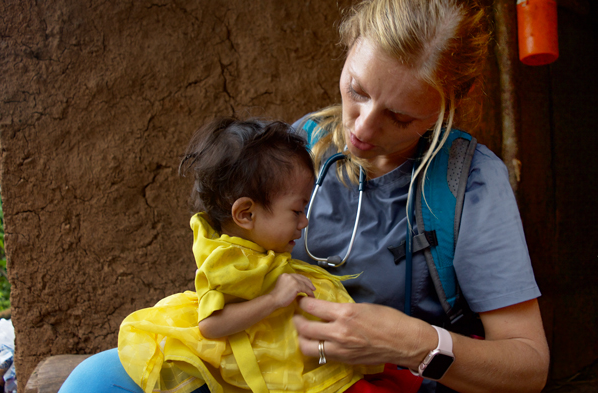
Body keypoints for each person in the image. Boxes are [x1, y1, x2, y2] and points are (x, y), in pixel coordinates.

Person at [60, 0, 549, 392]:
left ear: (450, 105)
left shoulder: (470, 185)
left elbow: (529, 367)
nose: (361, 127)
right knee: (94, 382)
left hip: (378, 380)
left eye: (400, 118)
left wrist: (416, 343)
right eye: (357, 90)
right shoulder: (302, 146)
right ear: (351, 42)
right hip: (274, 366)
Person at [93, 118, 421, 393]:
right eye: (297, 210)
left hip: (301, 355)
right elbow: (211, 325)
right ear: (246, 214)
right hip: (281, 367)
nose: (305, 222)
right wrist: (276, 299)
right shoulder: (226, 260)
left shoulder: (256, 247)